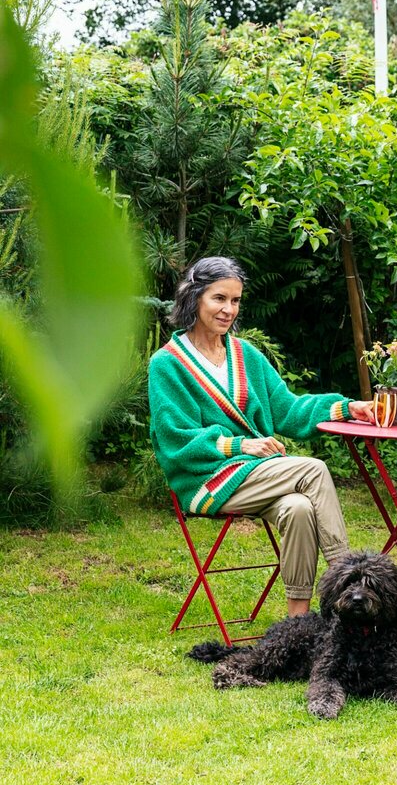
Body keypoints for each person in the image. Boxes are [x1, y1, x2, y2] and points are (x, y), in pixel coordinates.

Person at [148, 256, 375, 617]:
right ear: (194, 298)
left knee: (299, 509)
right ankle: (348, 584)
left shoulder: (245, 355)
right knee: (312, 470)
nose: (228, 310)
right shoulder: (167, 364)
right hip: (206, 479)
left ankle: (297, 624)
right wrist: (239, 445)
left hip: (253, 473)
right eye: (218, 298)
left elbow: (287, 409)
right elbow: (177, 439)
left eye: (235, 301)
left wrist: (346, 407)